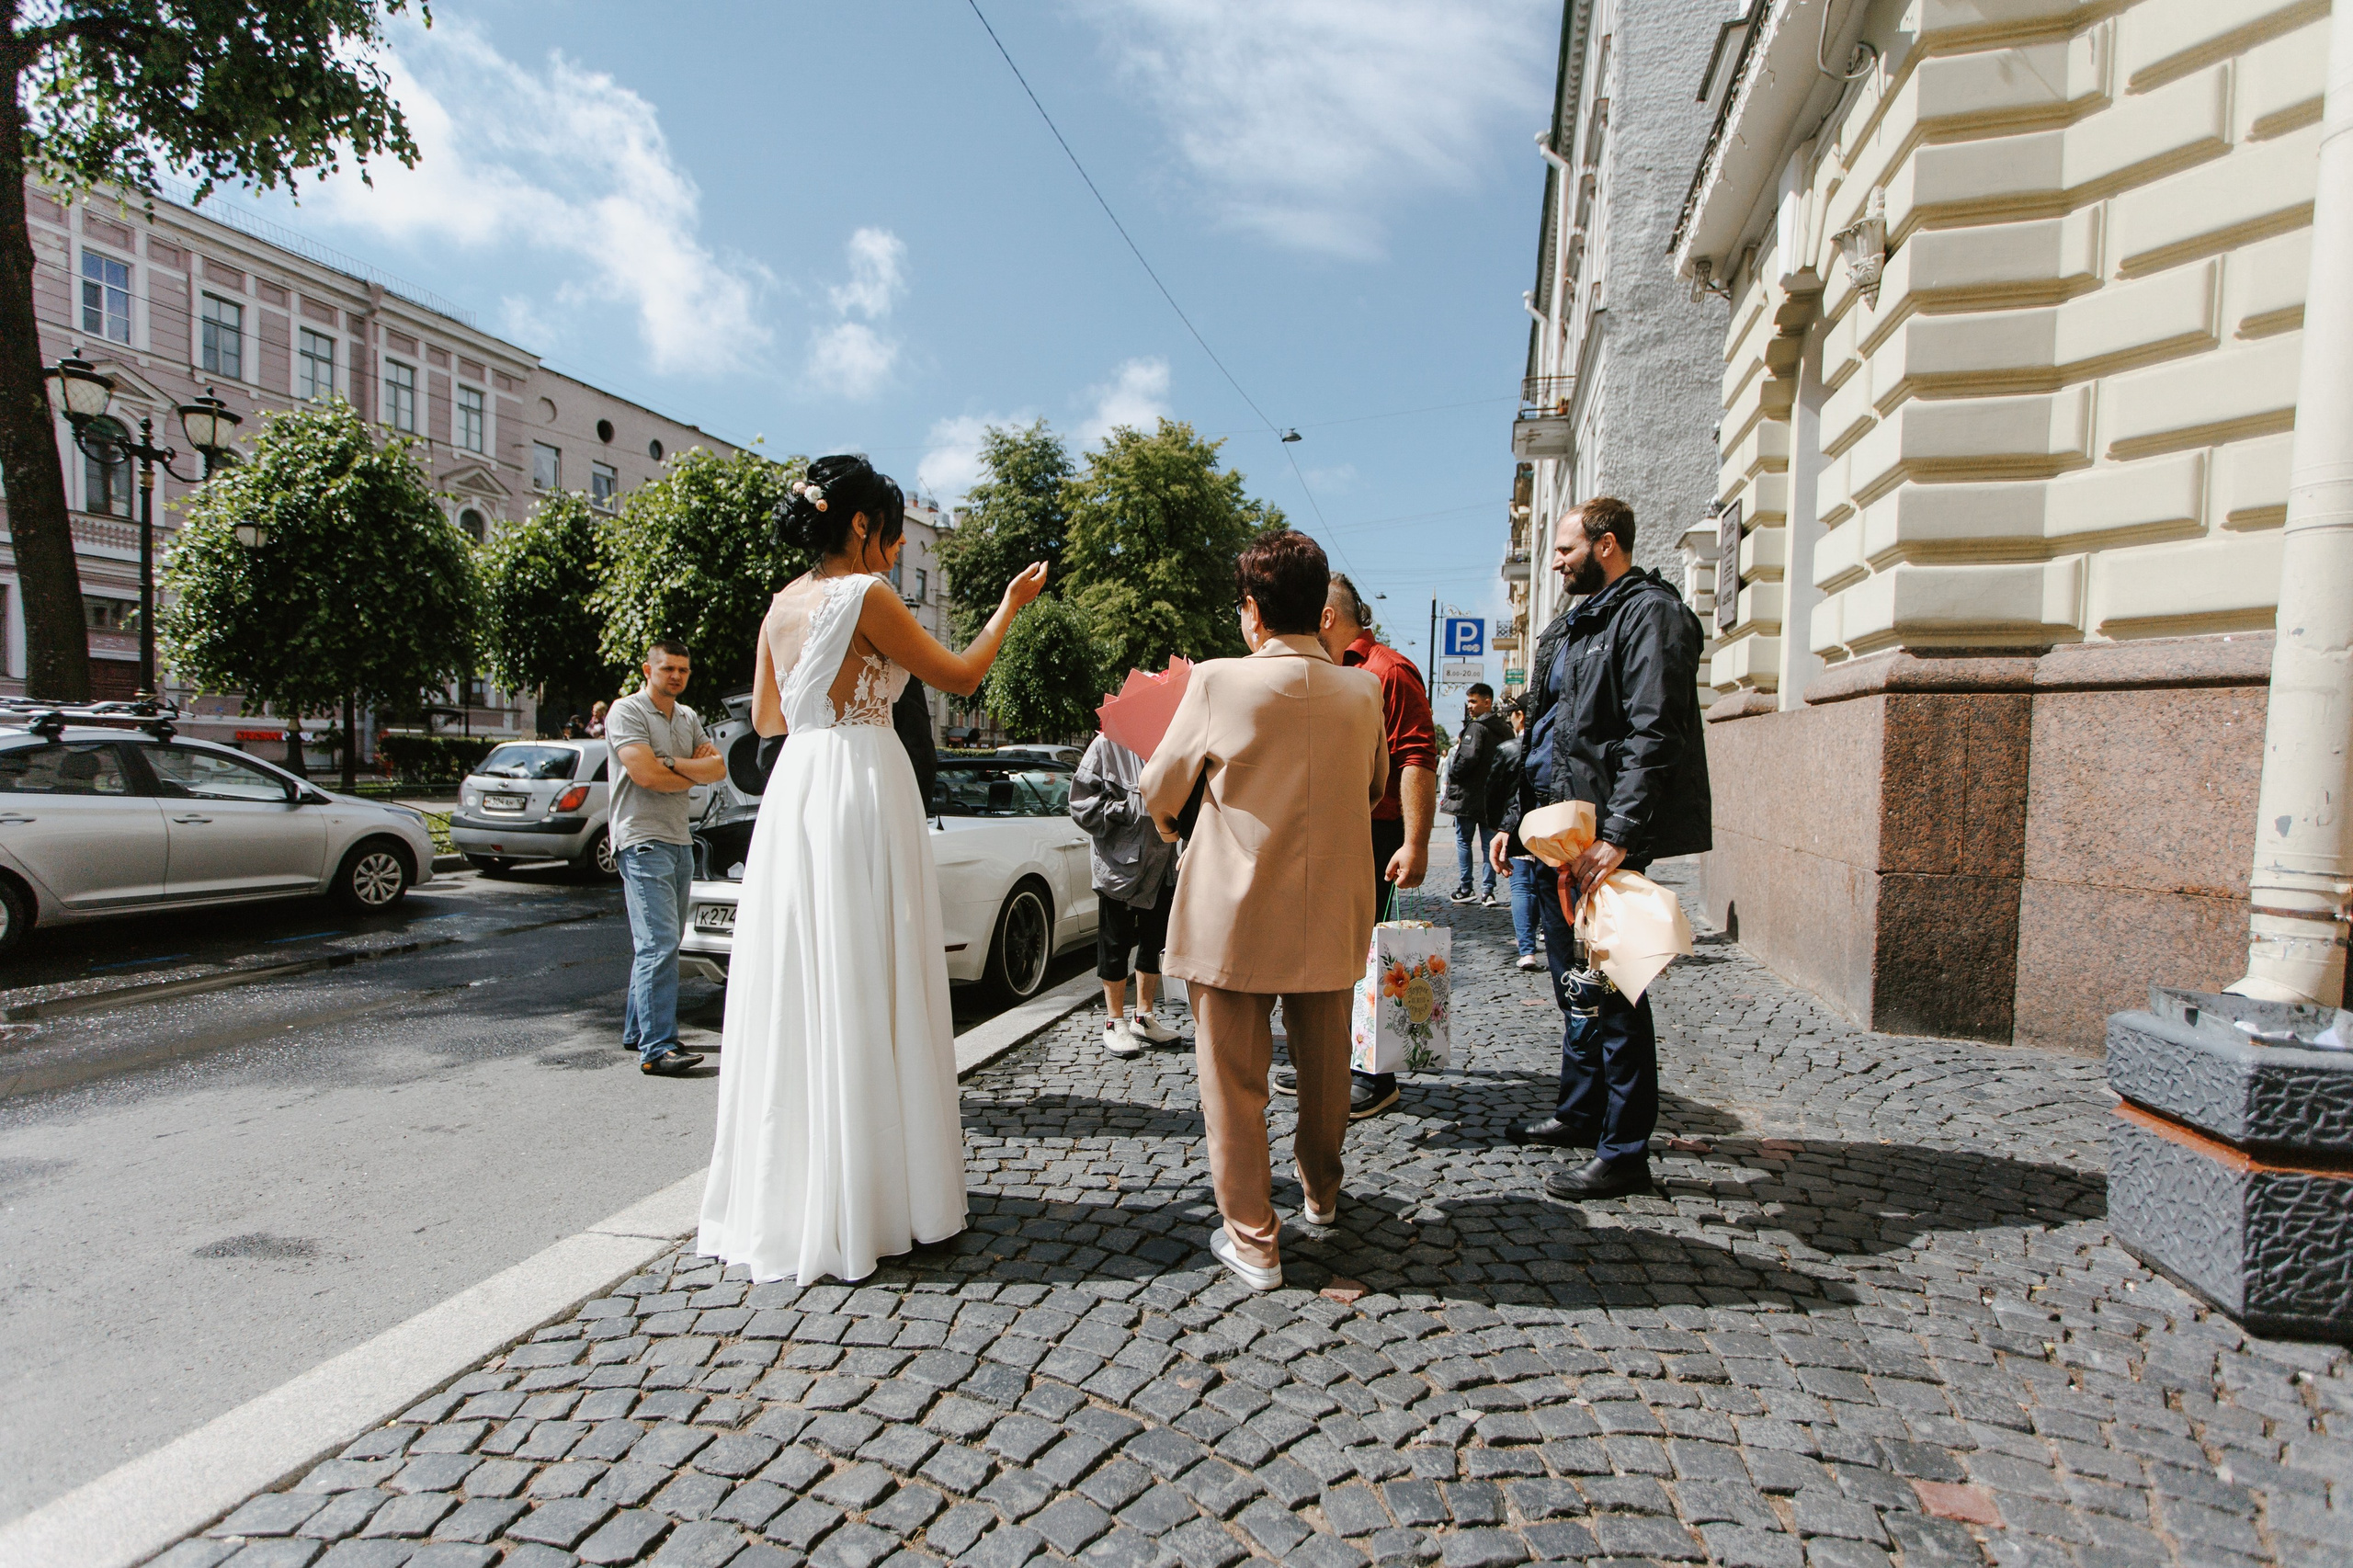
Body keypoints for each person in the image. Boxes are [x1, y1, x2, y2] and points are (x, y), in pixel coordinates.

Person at [698, 454, 1046, 1286]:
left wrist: (833, 689)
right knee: (871, 973)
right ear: (860, 525)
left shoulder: (779, 605)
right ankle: (883, 1195)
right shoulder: (866, 597)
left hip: (800, 789)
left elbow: (767, 716)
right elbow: (960, 675)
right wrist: (1007, 607)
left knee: (806, 977)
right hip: (862, 782)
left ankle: (796, 1196)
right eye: (889, 532)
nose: (892, 550)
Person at [1141, 531, 1386, 1291]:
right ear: (1321, 610)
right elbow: (1375, 786)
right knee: (1323, 1073)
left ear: (1251, 610)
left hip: (1232, 911)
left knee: (1233, 1085)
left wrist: (1175, 822)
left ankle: (1254, 1240)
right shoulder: (1362, 689)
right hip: (1329, 909)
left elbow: (1158, 786)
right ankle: (1322, 1193)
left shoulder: (1218, 681)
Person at [1492, 496, 1711, 1199]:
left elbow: (1656, 733)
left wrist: (1621, 836)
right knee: (1575, 988)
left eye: (1565, 550)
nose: (1555, 562)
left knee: (1617, 993)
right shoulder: (1572, 625)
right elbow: (1544, 736)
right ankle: (1582, 1113)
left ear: (1606, 544)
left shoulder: (1649, 614)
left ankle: (1624, 1150)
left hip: (1605, 843)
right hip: (1560, 837)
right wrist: (1511, 818)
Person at [1269, 573, 1436, 1120]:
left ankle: (1375, 1076)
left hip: (1376, 834)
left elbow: (1416, 758)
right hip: (1334, 831)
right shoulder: (1327, 673)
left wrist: (1415, 842)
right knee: (1332, 953)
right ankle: (1335, 1064)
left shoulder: (1388, 670)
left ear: (1326, 617)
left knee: (1369, 955)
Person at [608, 641, 728, 1076]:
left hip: (679, 840)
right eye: (667, 668)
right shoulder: (627, 712)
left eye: (683, 670)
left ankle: (637, 1031)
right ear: (648, 669)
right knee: (658, 944)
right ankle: (658, 1049)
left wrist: (670, 763)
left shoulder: (688, 717)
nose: (676, 676)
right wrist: (683, 770)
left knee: (662, 943)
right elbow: (645, 775)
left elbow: (718, 770)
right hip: (641, 840)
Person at [1071, 732, 1183, 1058]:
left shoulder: (1172, 741)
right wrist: (1125, 809)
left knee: (1154, 940)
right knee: (1115, 941)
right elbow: (1080, 802)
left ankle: (1143, 1017)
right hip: (1120, 862)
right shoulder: (1107, 744)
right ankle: (1114, 1021)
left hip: (1163, 860)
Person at [1441, 683, 1511, 906]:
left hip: (1469, 798)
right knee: (1489, 845)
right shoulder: (1504, 729)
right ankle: (1488, 891)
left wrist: (1453, 771)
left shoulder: (1476, 728)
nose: (1469, 706)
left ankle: (1466, 887)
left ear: (1487, 702)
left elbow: (1468, 758)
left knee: (1464, 841)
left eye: (1473, 701)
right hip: (1492, 799)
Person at [1491, 696, 1543, 971]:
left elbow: (1494, 791)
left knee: (1522, 887)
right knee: (1549, 883)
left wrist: (1498, 826)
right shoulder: (1555, 745)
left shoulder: (1509, 748)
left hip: (1516, 826)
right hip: (1550, 825)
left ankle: (1527, 950)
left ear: (1521, 715)